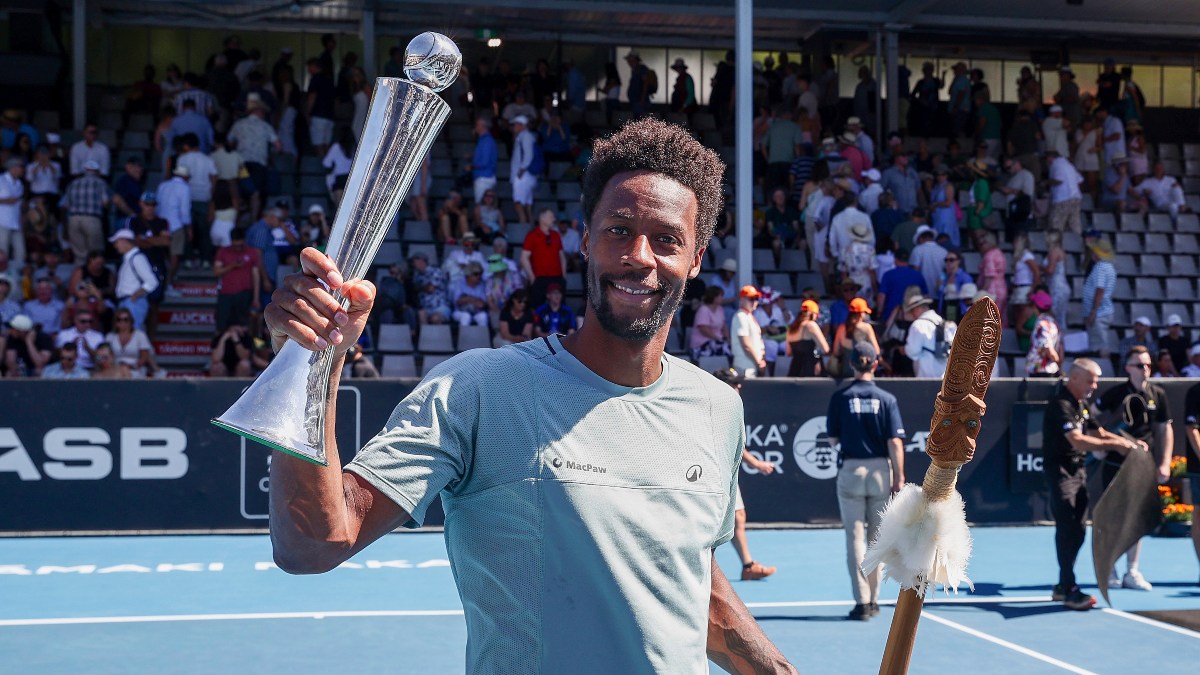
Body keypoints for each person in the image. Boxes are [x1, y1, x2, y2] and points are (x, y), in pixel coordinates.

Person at [264, 117, 797, 671]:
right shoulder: (480, 388)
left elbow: (690, 581)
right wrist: (309, 361)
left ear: (696, 256)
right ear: (585, 239)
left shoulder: (717, 407)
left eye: (666, 239)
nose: (640, 255)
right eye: (618, 229)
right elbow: (313, 544)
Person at [1043, 359, 1149, 611]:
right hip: (1059, 473)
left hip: (1077, 471)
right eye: (1091, 380)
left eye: (1096, 380)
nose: (1095, 385)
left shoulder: (1081, 404)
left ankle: (1062, 585)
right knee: (1067, 526)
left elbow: (1098, 432)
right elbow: (1078, 440)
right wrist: (1116, 445)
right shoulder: (1061, 405)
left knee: (1078, 529)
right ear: (1075, 378)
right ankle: (1069, 588)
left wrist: (1129, 443)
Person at [826, 342, 905, 620]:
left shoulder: (840, 397)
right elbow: (894, 441)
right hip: (879, 471)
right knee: (876, 539)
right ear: (875, 362)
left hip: (851, 468)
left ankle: (861, 601)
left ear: (851, 364)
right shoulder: (886, 399)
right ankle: (873, 599)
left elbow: (834, 439)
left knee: (855, 538)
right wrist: (899, 476)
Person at [1095, 345, 1175, 591]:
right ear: (1128, 368)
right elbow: (1092, 420)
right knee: (1113, 517)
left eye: (1148, 365)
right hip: (1115, 464)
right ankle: (1110, 570)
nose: (1146, 370)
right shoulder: (1115, 393)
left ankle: (1132, 571)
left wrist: (1164, 462)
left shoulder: (1158, 394)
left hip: (1143, 466)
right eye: (1140, 365)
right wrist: (1109, 442)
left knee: (1136, 519)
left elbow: (1164, 429)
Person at [711, 367, 778, 580]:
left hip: (726, 472)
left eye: (739, 383)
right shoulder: (713, 406)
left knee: (738, 516)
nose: (739, 386)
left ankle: (748, 566)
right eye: (734, 383)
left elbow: (737, 445)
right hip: (711, 472)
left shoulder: (730, 406)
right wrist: (757, 464)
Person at [213, 227, 263, 332]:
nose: (238, 248)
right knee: (222, 325)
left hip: (244, 294)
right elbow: (216, 272)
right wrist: (232, 266)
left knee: (244, 326)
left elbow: (256, 276)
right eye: (236, 245)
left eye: (240, 245)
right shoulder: (223, 252)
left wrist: (256, 298)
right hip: (226, 294)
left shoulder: (252, 252)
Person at [110, 229, 159, 331]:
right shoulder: (128, 258)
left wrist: (136, 295)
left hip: (133, 302)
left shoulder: (137, 258)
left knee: (134, 332)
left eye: (117, 242)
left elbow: (152, 281)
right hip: (126, 301)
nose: (115, 246)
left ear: (124, 241)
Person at [903, 295, 953, 379]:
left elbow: (912, 351)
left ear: (917, 309)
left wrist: (904, 349)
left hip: (926, 378)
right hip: (946, 378)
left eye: (912, 311)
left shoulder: (918, 325)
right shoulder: (948, 324)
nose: (912, 315)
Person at [1083, 239, 1117, 359]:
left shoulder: (1101, 268)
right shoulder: (1109, 267)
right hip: (1102, 311)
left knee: (1099, 347)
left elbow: (1100, 290)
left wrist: (1093, 312)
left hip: (1099, 313)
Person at [731, 285, 766, 379]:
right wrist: (759, 362)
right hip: (744, 367)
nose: (754, 302)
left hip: (752, 366)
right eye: (751, 299)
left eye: (756, 298)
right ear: (742, 300)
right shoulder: (741, 316)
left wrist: (761, 360)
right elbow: (746, 344)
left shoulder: (749, 316)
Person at [1025, 290, 1062, 378]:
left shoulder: (1042, 324)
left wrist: (1057, 361)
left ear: (1035, 307)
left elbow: (1046, 347)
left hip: (1041, 371)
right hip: (1045, 370)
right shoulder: (1052, 322)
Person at [690, 285, 731, 364]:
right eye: (720, 296)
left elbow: (724, 326)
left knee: (728, 347)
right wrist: (717, 338)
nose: (722, 298)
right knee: (723, 348)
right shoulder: (703, 309)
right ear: (714, 297)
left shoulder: (720, 309)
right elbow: (703, 329)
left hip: (717, 341)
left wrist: (727, 338)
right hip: (701, 344)